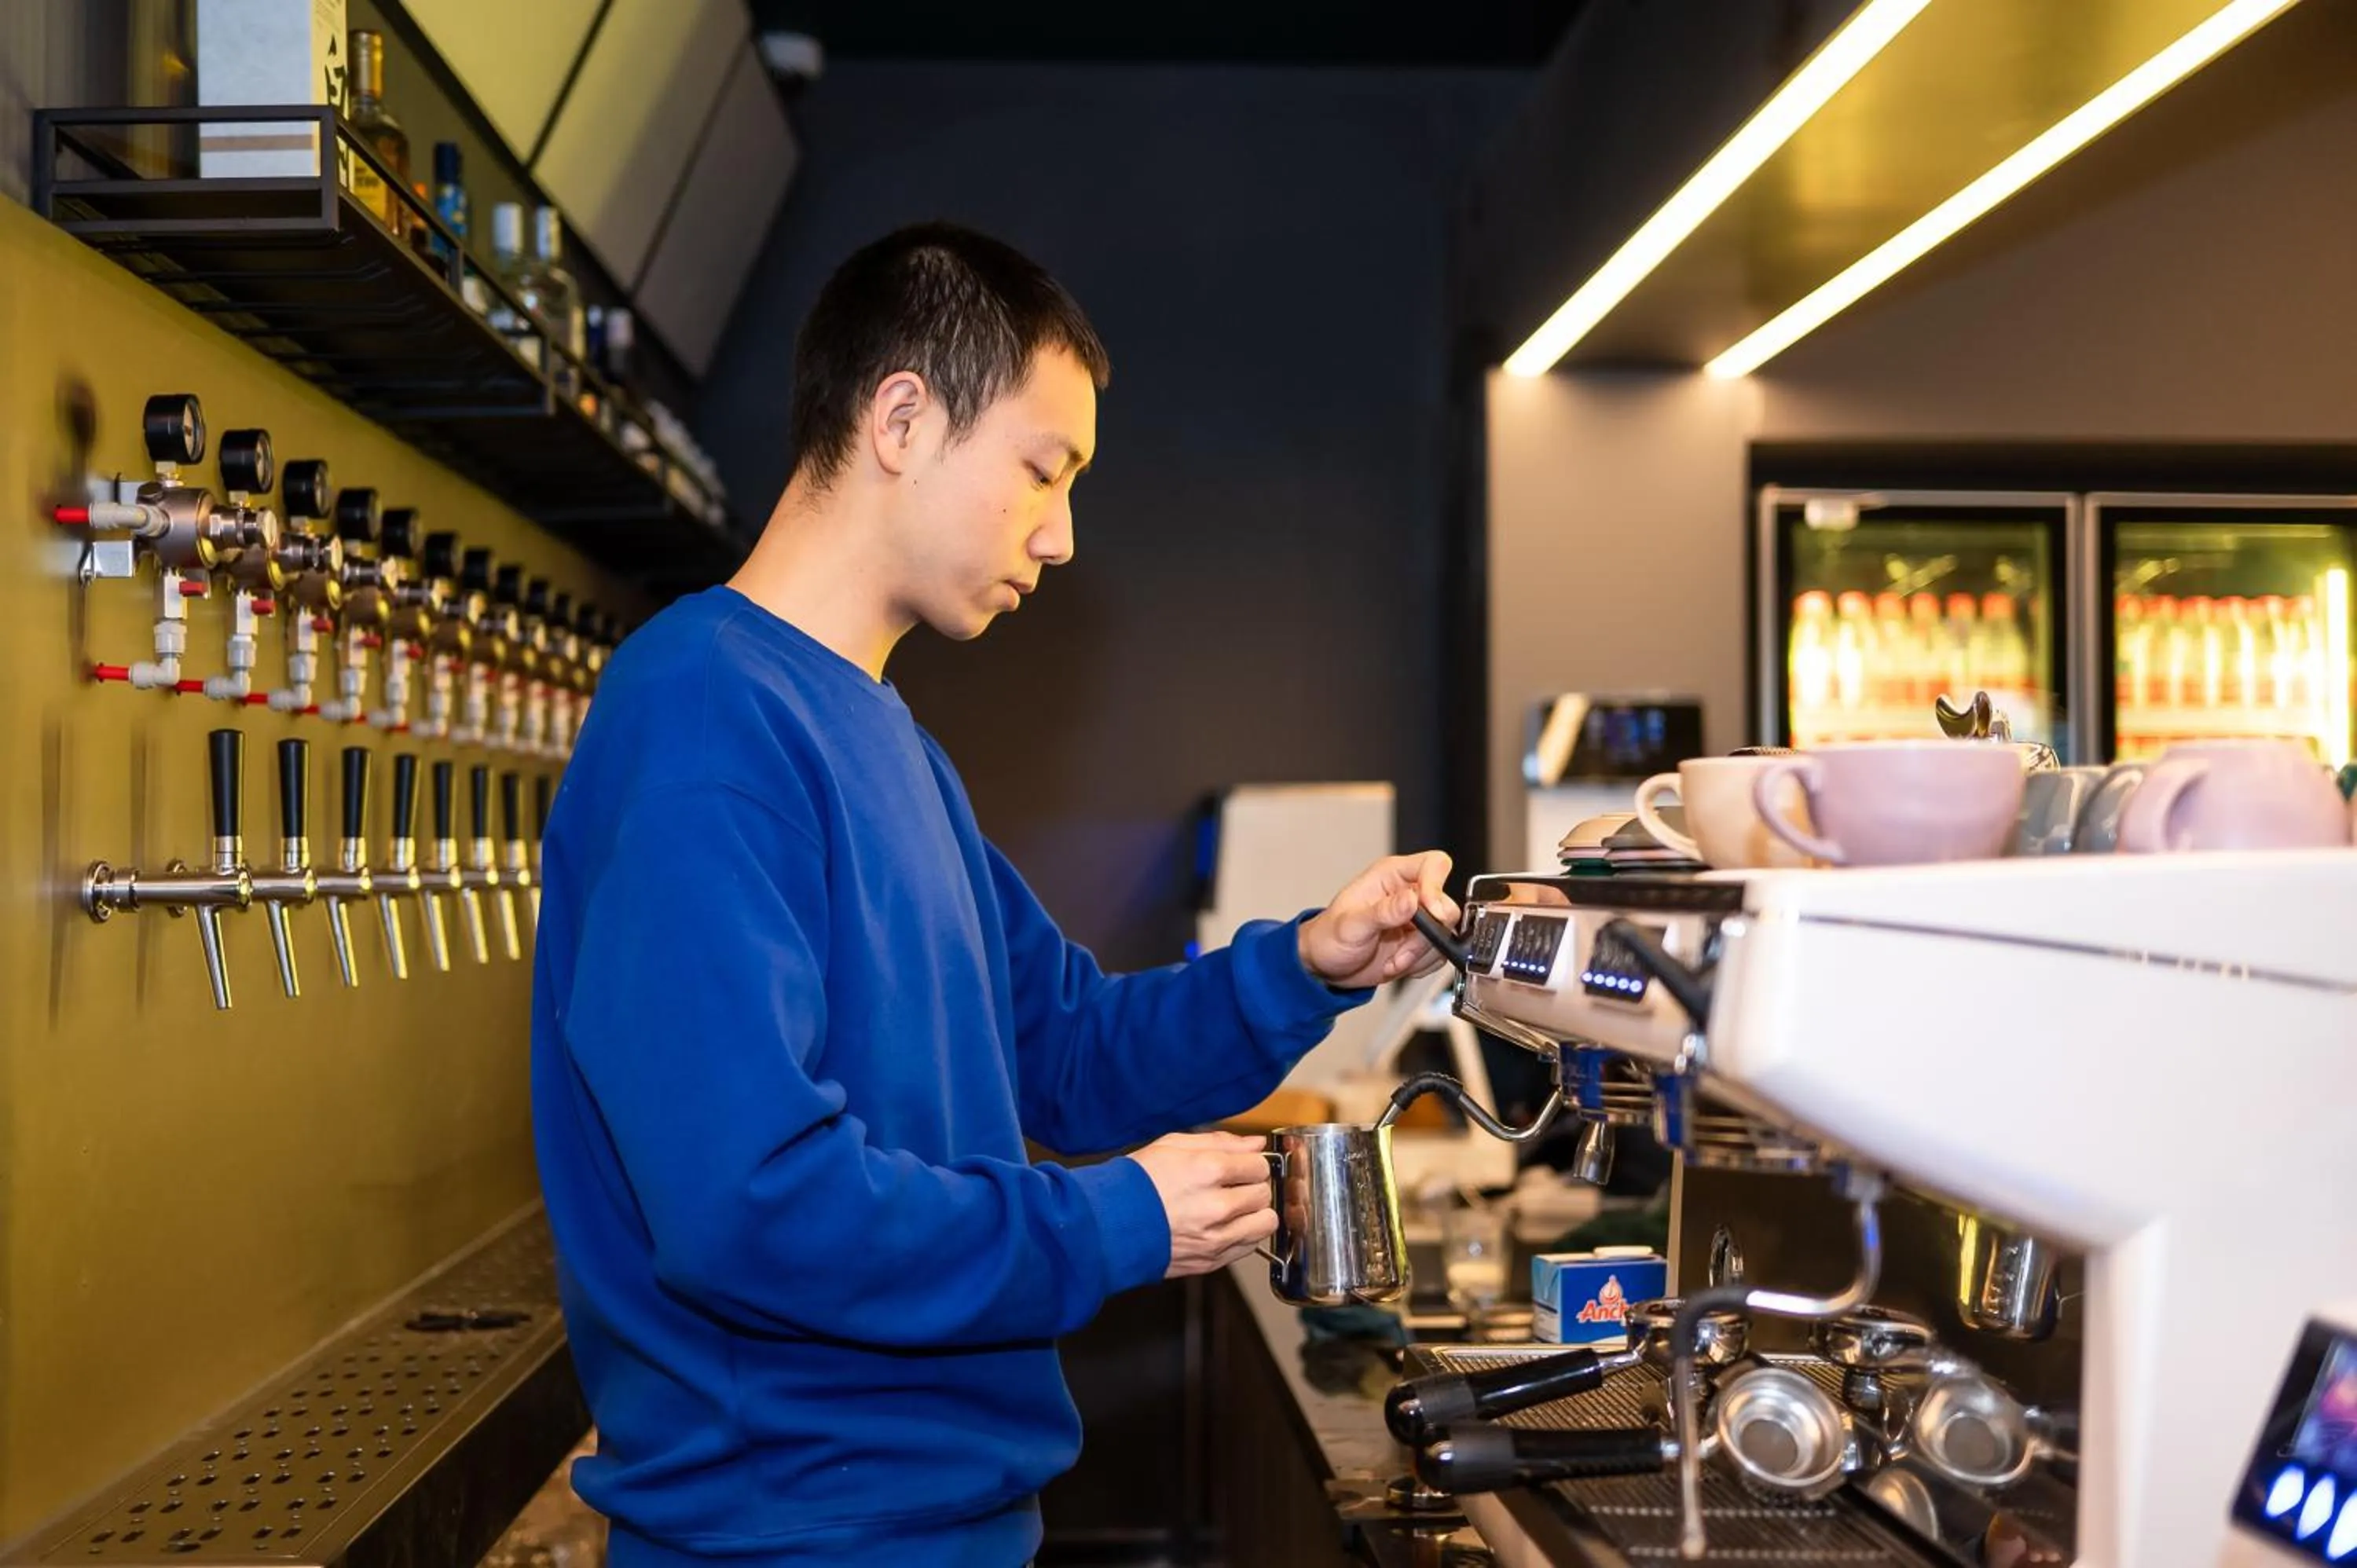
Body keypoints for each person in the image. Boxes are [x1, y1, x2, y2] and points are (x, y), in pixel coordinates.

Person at [530, 221, 1457, 1567]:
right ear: (902, 419)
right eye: (1042, 471)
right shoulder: (703, 719)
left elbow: (1066, 1052)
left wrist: (1310, 961)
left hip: (943, 1526)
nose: (1062, 536)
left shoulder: (894, 749)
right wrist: (1118, 1219)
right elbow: (752, 1208)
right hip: (795, 1543)